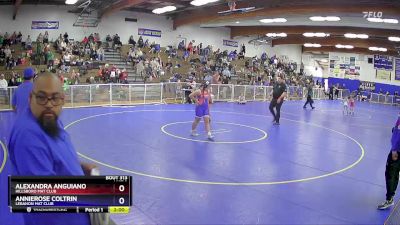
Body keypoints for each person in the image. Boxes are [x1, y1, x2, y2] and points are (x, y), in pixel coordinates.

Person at [8, 73, 97, 225]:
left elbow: (55, 158)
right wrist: (104, 192)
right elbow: (44, 196)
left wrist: (79, 168)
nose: (49, 104)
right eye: (42, 97)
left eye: (55, 98)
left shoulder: (49, 120)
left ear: (63, 100)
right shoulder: (29, 136)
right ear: (31, 98)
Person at [378, 113, 400, 210]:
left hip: (397, 151)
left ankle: (389, 198)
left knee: (391, 174)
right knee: (393, 174)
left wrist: (395, 149)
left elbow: (398, 131)